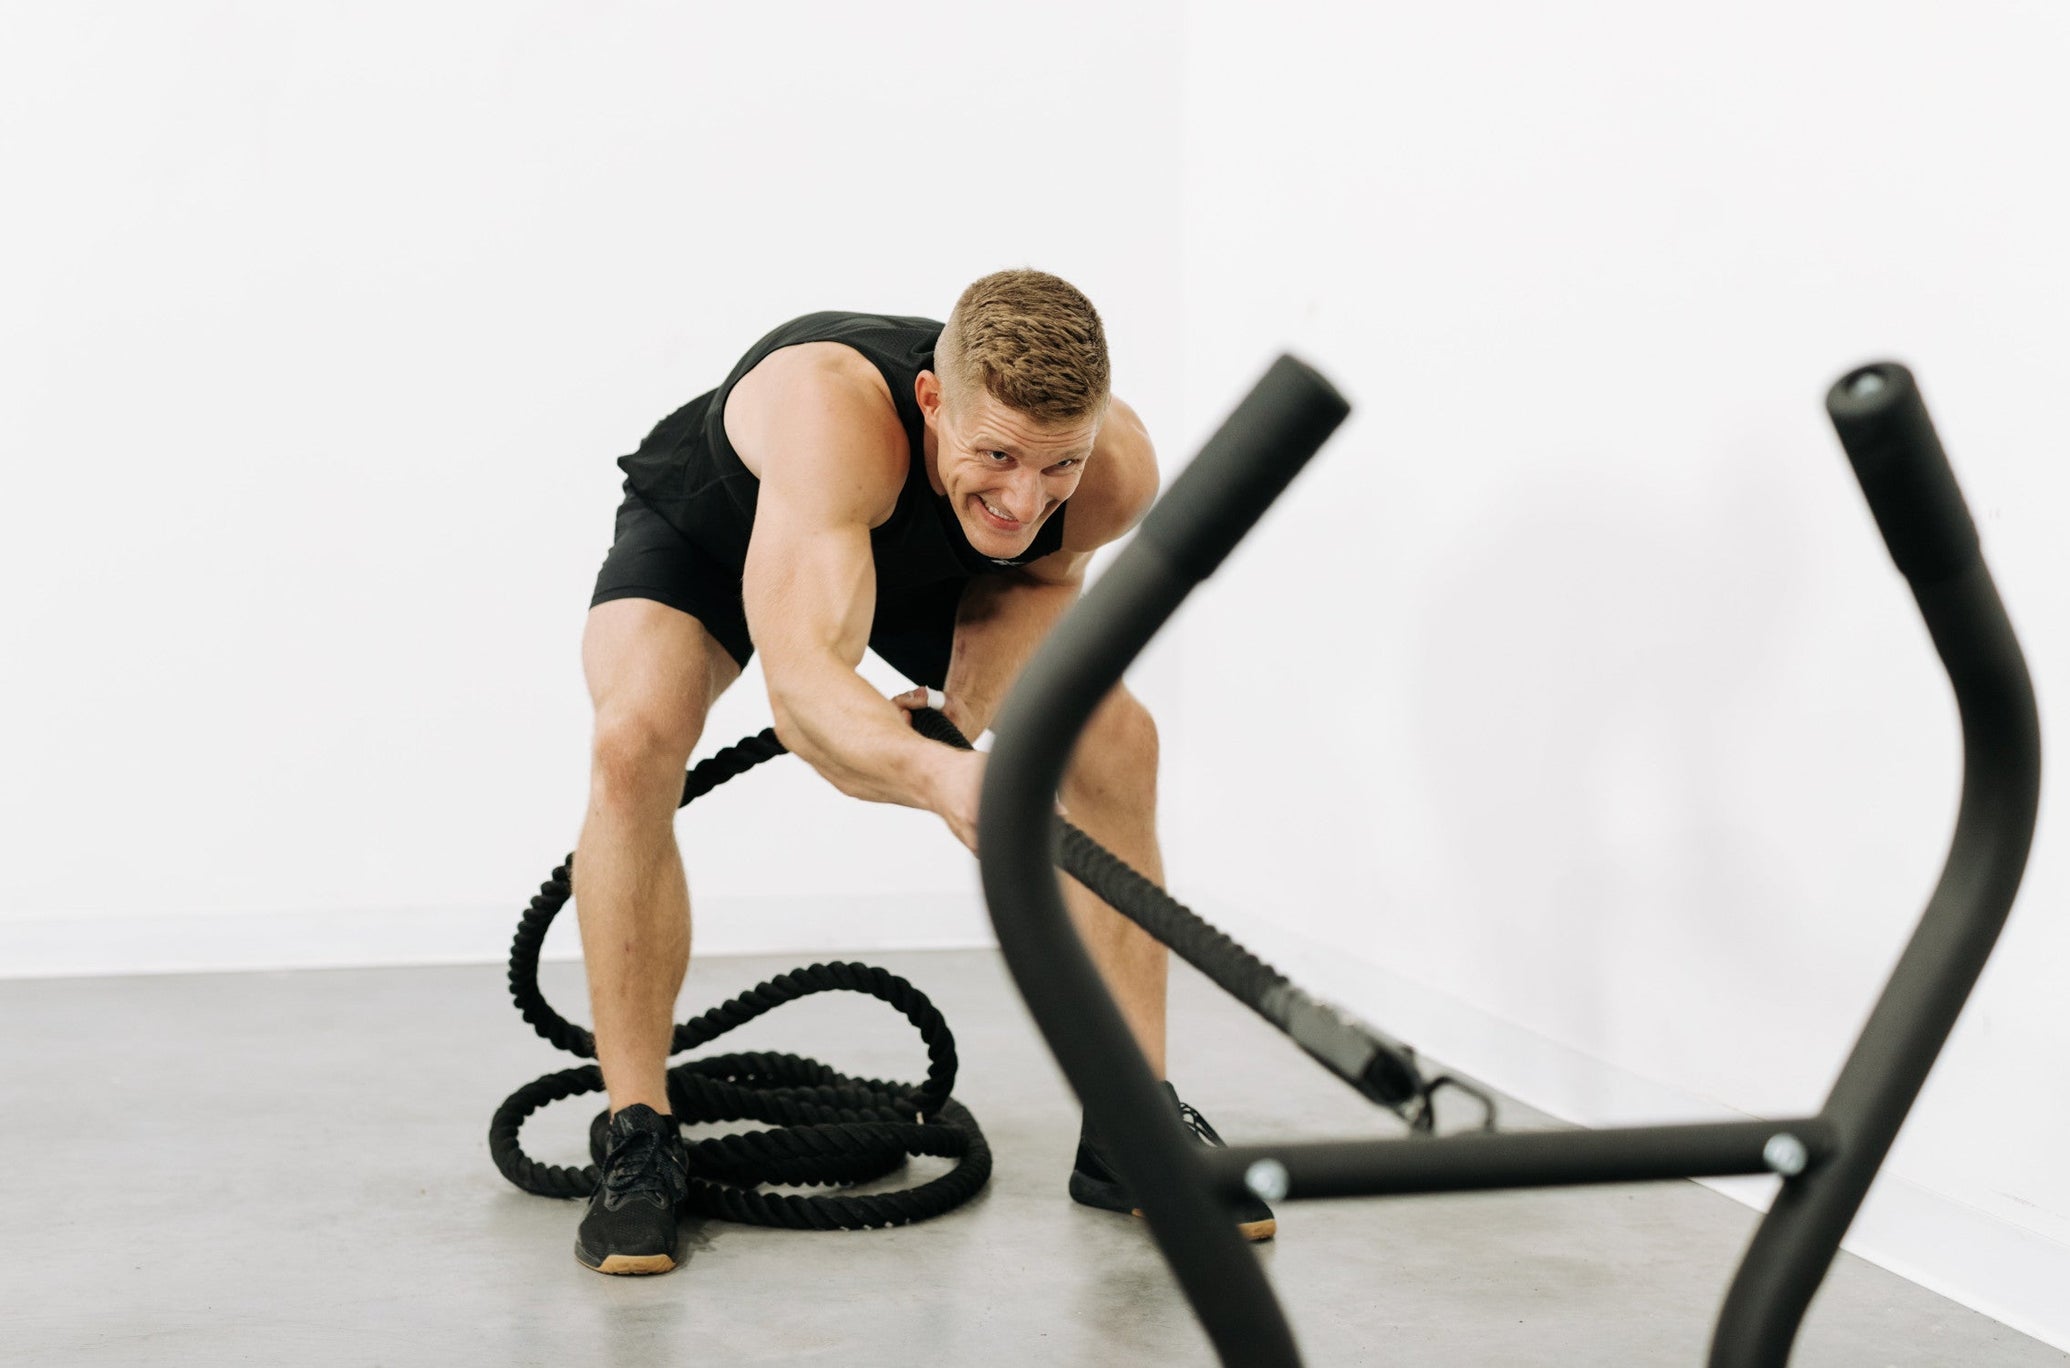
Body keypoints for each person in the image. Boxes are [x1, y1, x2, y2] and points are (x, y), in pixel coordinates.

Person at [571, 268, 1273, 1275]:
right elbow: (807, 687)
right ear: (935, 403)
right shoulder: (832, 411)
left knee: (1118, 739)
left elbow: (1029, 584)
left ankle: (1131, 1122)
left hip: (923, 553)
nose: (1026, 497)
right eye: (998, 454)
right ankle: (638, 1133)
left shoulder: (1110, 475)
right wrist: (942, 780)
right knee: (632, 741)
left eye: (1056, 464)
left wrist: (959, 725)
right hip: (719, 526)